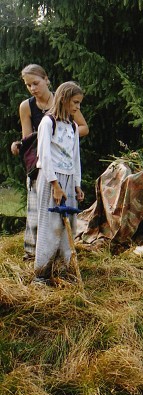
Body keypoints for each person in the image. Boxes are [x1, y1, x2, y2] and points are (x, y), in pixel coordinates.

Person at [10, 64, 89, 261]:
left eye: (36, 83)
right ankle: (33, 254)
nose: (32, 88)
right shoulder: (26, 106)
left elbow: (83, 127)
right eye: (28, 85)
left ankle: (56, 255)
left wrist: (60, 136)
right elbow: (29, 138)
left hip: (61, 161)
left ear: (46, 79)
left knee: (58, 212)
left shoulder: (65, 100)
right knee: (36, 209)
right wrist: (20, 144)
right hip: (39, 161)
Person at [32, 81, 85, 284]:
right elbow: (44, 156)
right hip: (51, 179)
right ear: (64, 99)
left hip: (69, 179)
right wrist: (55, 185)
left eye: (79, 103)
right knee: (50, 225)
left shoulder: (72, 126)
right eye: (75, 102)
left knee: (68, 225)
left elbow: (75, 157)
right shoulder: (48, 122)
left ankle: (65, 271)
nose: (77, 107)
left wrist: (77, 184)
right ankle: (42, 274)